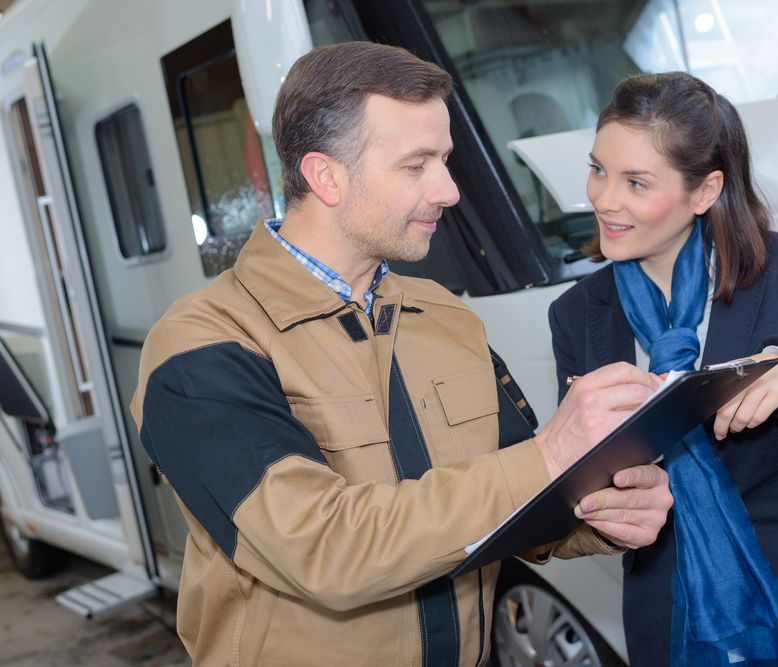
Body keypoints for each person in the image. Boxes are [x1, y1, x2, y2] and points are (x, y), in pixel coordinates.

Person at [132, 43, 673, 666]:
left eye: (444, 160)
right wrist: (552, 453)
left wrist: (603, 514)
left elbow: (516, 494)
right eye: (417, 166)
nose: (448, 190)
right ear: (325, 176)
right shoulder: (201, 346)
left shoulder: (444, 318)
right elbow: (324, 549)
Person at [548, 72, 778, 666]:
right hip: (672, 628)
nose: (602, 199)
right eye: (598, 170)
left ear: (705, 191)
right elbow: (582, 490)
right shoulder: (576, 315)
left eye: (636, 182)